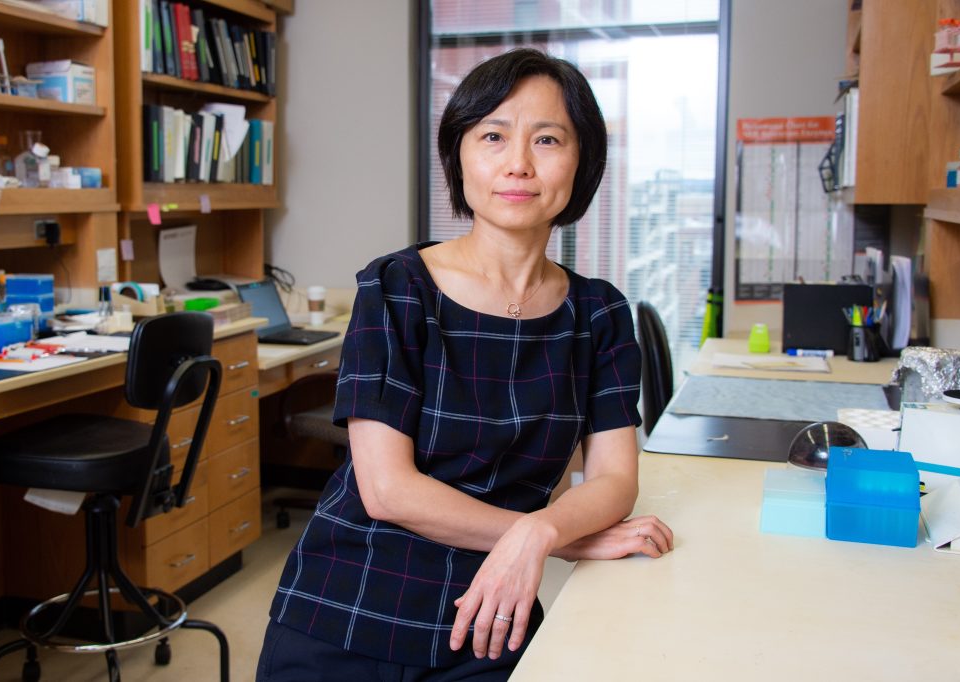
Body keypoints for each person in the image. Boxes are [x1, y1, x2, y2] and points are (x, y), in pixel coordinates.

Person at [256, 47, 674, 681]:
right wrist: (544, 534)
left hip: (490, 615)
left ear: (583, 160)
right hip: (349, 601)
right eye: (494, 136)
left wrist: (538, 538)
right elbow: (386, 490)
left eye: (549, 139)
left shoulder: (599, 314)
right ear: (459, 156)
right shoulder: (397, 287)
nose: (519, 163)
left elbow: (616, 478)